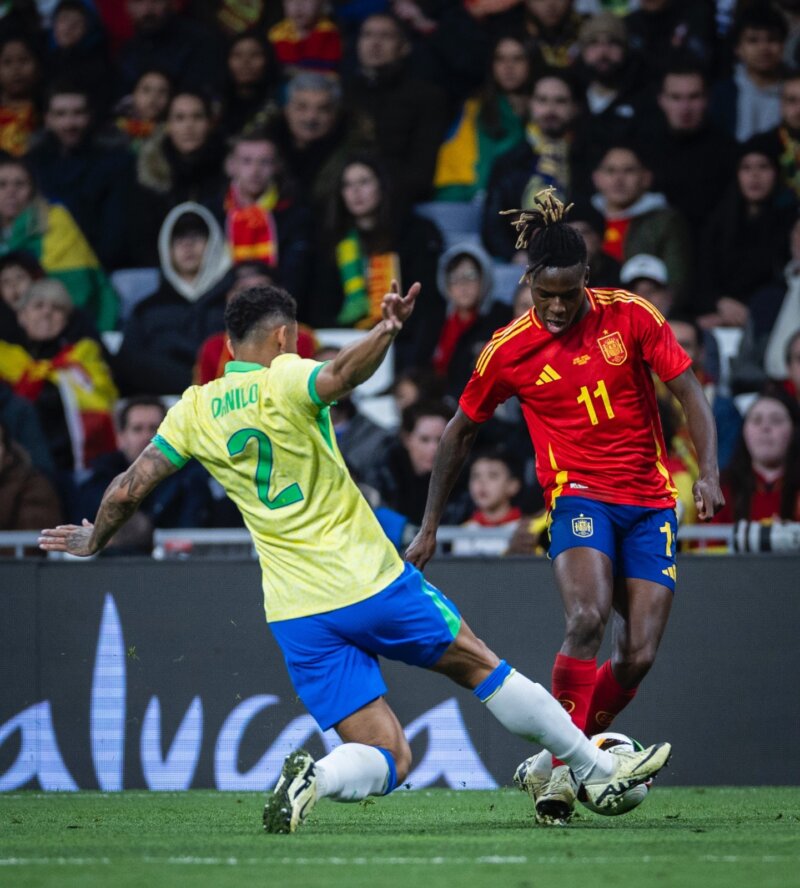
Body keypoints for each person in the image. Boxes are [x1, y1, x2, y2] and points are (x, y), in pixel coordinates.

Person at [39, 280, 671, 833]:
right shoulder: (285, 375)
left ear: (229, 347)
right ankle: (593, 769)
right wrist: (386, 329)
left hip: (295, 612)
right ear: (284, 336)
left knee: (389, 755)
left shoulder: (193, 410)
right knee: (482, 668)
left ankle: (313, 777)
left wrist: (93, 539)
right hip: (369, 581)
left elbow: (128, 487)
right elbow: (340, 375)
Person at [405, 188, 721, 826]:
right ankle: (571, 763)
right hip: (577, 495)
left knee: (638, 654)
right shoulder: (507, 350)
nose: (553, 307)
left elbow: (688, 389)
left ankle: (552, 763)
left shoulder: (630, 316)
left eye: (567, 294)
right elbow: (457, 433)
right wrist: (431, 523)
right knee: (585, 617)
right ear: (527, 282)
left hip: (651, 499)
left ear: (586, 281)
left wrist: (707, 471)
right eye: (542, 294)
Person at [313, 153, 445, 369]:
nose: (355, 192)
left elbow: (427, 307)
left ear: (382, 186)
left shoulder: (414, 233)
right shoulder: (332, 240)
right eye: (347, 185)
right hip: (346, 346)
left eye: (364, 182)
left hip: (401, 344)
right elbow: (321, 306)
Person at [114, 202, 233, 395]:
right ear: (166, 249)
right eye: (178, 239)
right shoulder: (147, 310)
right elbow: (127, 367)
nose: (187, 245)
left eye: (196, 237)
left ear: (215, 243)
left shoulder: (235, 303)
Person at [74, 396, 212, 552]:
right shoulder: (99, 479)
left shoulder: (192, 478)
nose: (146, 437)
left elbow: (191, 534)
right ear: (121, 438)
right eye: (137, 429)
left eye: (154, 429)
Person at [0, 155, 119, 332]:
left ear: (33, 190)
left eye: (20, 184)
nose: (11, 192)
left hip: (57, 324)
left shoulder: (54, 220)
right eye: (2, 184)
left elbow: (76, 289)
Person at [26, 80, 135, 270]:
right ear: (47, 119)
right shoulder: (31, 164)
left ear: (90, 116)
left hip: (98, 269)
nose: (69, 123)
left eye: (78, 113)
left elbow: (116, 235)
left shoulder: (117, 163)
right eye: (61, 114)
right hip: (40, 268)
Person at [345, 12, 447, 205]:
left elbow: (422, 168)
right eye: (367, 35)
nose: (375, 43)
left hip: (399, 200)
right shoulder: (344, 93)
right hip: (346, 196)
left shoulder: (427, 97)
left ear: (404, 47)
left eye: (385, 36)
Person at [434, 33, 530, 203]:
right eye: (500, 59)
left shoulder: (548, 104)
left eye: (518, 59)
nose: (508, 67)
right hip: (471, 199)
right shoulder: (475, 108)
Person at [224, 131, 313, 305]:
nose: (255, 171)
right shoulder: (213, 212)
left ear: (276, 167)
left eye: (264, 162)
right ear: (230, 165)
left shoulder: (296, 216)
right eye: (246, 161)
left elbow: (296, 278)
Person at [711, 387, 800, 524]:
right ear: (743, 431)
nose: (765, 427)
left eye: (776, 420)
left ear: (794, 430)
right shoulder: (721, 490)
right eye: (757, 420)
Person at [452, 447, 522, 556]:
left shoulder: (525, 530)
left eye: (493, 475)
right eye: (476, 476)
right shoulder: (464, 531)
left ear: (513, 485)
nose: (482, 482)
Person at [267, 0, 342, 79]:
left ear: (321, 3)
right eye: (291, 1)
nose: (298, 6)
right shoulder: (275, 35)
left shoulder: (331, 34)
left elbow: (331, 74)